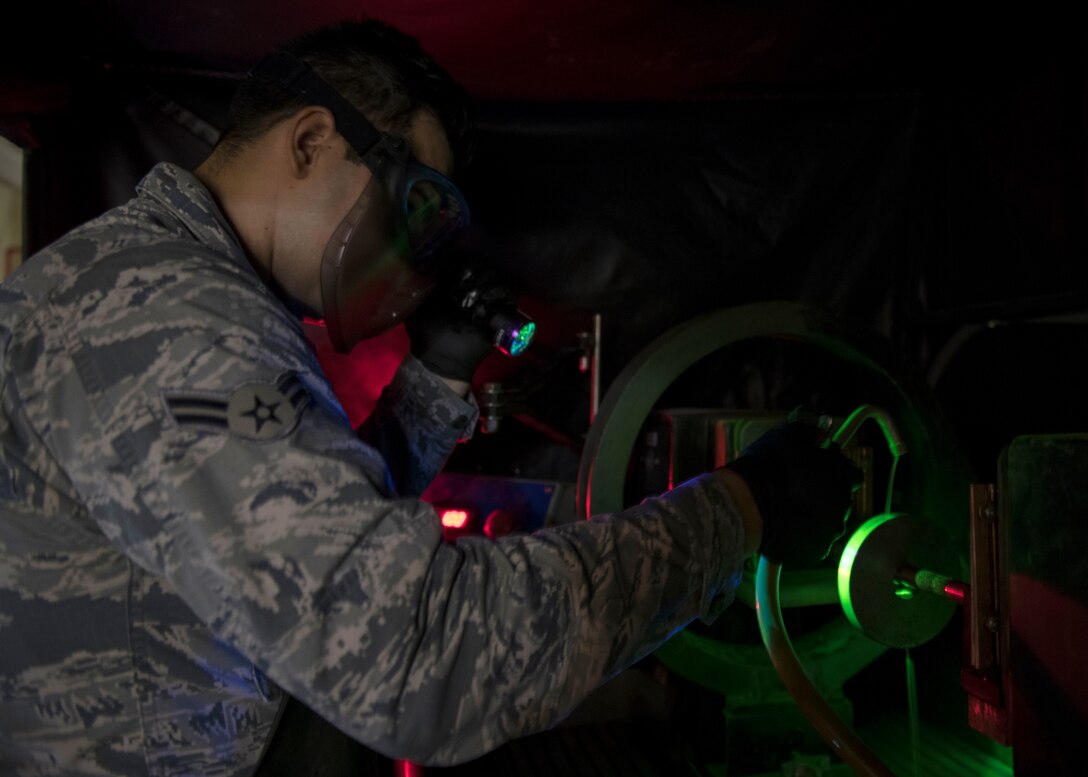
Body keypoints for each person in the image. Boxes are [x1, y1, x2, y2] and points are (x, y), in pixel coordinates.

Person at [0, 19, 860, 776]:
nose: (414, 262)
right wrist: (744, 508)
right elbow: (425, 652)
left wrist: (433, 379)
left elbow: (310, 544)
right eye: (416, 210)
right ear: (309, 142)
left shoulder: (153, 286)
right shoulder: (173, 320)